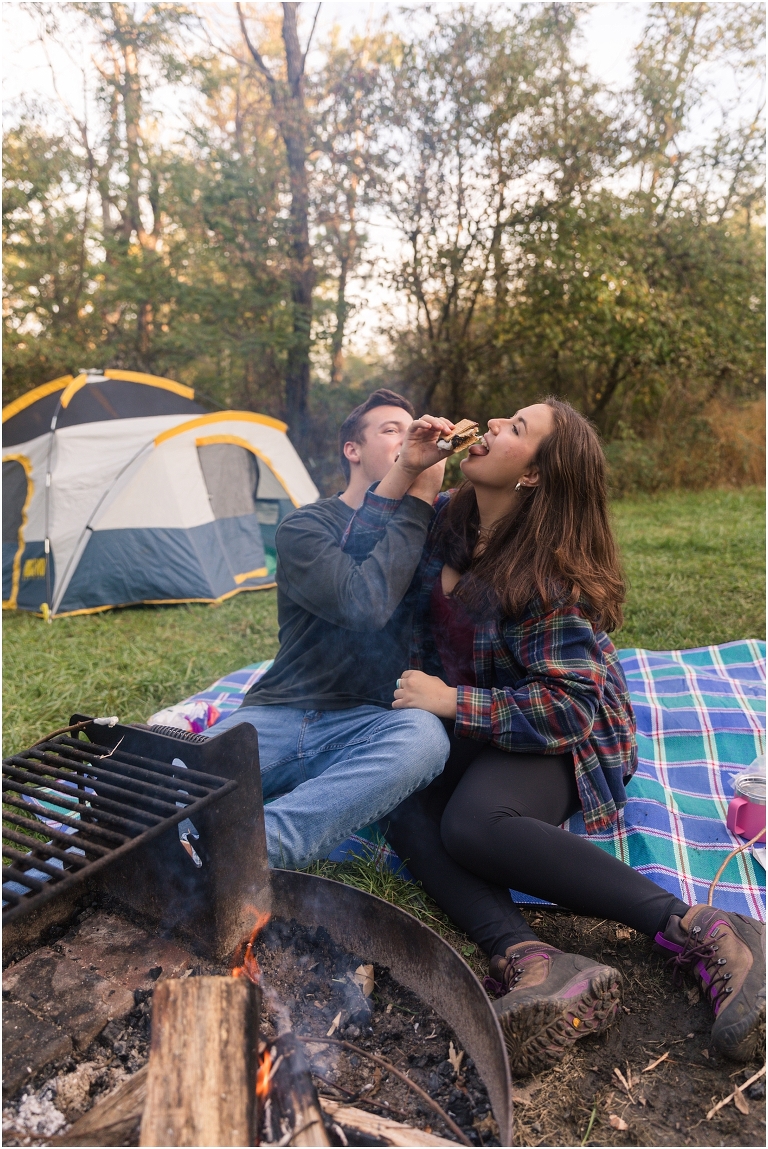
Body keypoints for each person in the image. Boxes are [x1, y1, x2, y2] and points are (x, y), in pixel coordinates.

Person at [342, 398, 765, 1075]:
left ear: (533, 475)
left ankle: (704, 928)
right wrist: (405, 471)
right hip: (480, 720)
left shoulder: (548, 575)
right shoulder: (451, 512)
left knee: (474, 825)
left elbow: (568, 706)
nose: (494, 426)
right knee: (398, 795)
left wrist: (450, 698)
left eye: (517, 429)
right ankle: (535, 961)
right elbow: (352, 561)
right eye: (505, 418)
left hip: (567, 735)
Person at [206, 388, 455, 870]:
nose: (411, 439)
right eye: (392, 431)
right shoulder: (304, 527)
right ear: (353, 450)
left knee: (425, 738)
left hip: (368, 723)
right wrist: (414, 490)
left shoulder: (435, 523)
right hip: (281, 712)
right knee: (170, 783)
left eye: (414, 428)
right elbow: (363, 604)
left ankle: (254, 850)